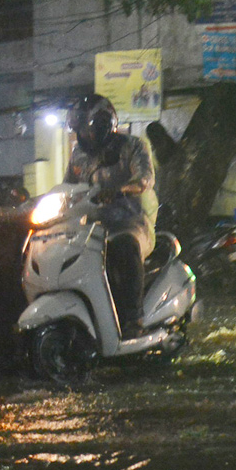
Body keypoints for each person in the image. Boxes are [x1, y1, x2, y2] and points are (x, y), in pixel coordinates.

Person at [62, 94, 158, 338]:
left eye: (85, 130)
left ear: (103, 125)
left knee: (124, 247)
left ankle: (133, 319)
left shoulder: (132, 146)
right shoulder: (78, 155)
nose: (81, 136)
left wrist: (120, 189)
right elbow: (67, 188)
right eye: (78, 131)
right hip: (92, 226)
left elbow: (145, 179)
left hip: (131, 221)